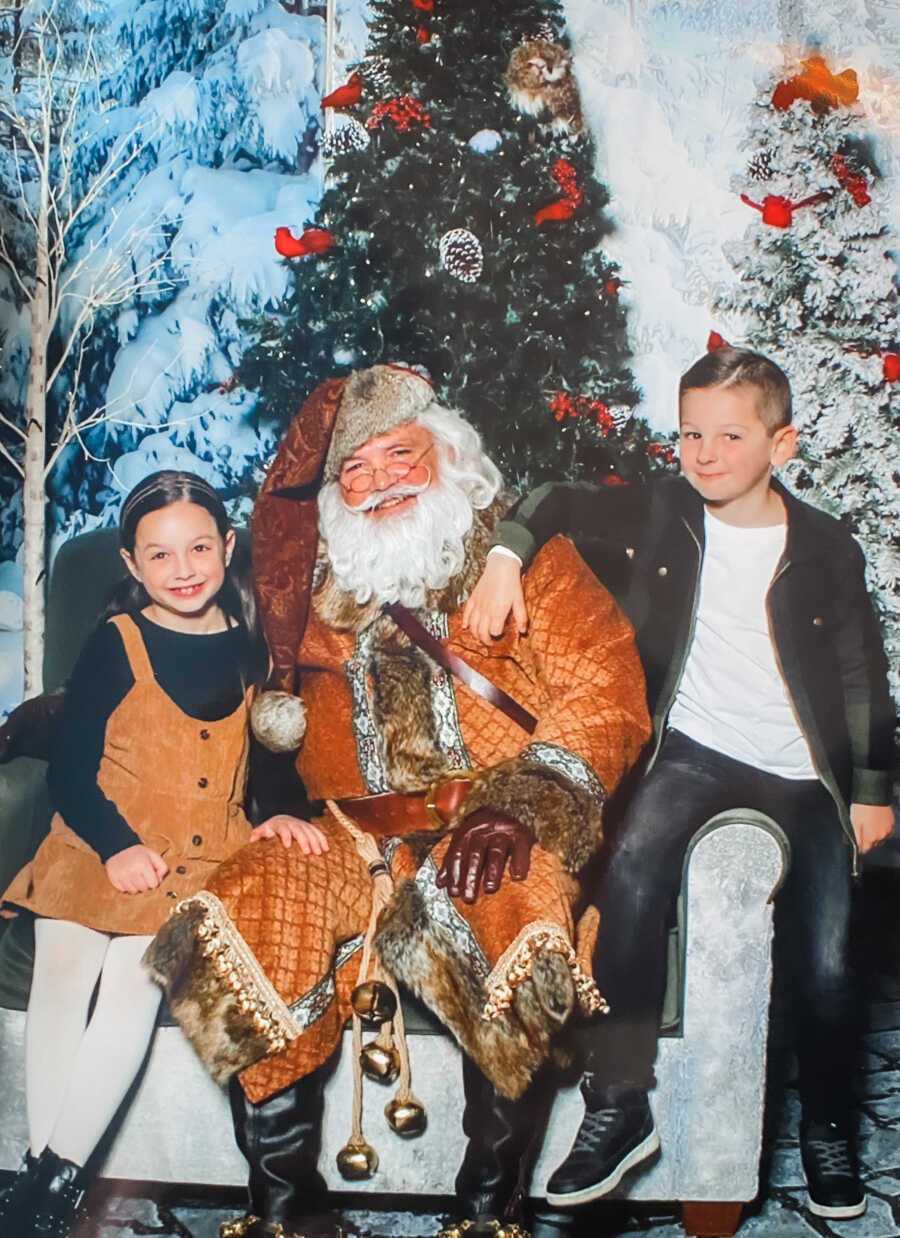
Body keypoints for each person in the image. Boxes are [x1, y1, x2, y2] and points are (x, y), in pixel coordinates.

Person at [144, 364, 651, 1238]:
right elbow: (198, 662)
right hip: (349, 837)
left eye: (399, 457)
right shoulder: (308, 594)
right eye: (357, 470)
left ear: (447, 458)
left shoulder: (533, 566)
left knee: (513, 913)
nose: (378, 483)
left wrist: (523, 806)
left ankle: (488, 1210)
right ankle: (285, 1212)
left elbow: (607, 693)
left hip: (492, 825)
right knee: (249, 903)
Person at [461, 346, 896, 1222]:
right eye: (690, 432)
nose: (704, 454)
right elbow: (553, 498)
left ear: (783, 444)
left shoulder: (825, 547)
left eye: (730, 435)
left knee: (829, 959)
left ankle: (830, 1127)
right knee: (634, 873)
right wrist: (506, 555)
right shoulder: (664, 512)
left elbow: (860, 674)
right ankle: (618, 1103)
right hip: (694, 751)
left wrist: (872, 789)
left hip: (802, 772)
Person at [0, 471, 322, 1238]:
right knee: (64, 972)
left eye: (199, 548)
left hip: (196, 857)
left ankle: (44, 1191)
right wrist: (115, 848)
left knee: (134, 980)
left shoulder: (251, 651)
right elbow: (73, 772)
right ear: (131, 563)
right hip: (94, 838)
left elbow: (270, 767)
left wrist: (281, 816)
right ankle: (57, 1188)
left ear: (227, 548)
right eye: (160, 554)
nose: (183, 569)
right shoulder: (116, 642)